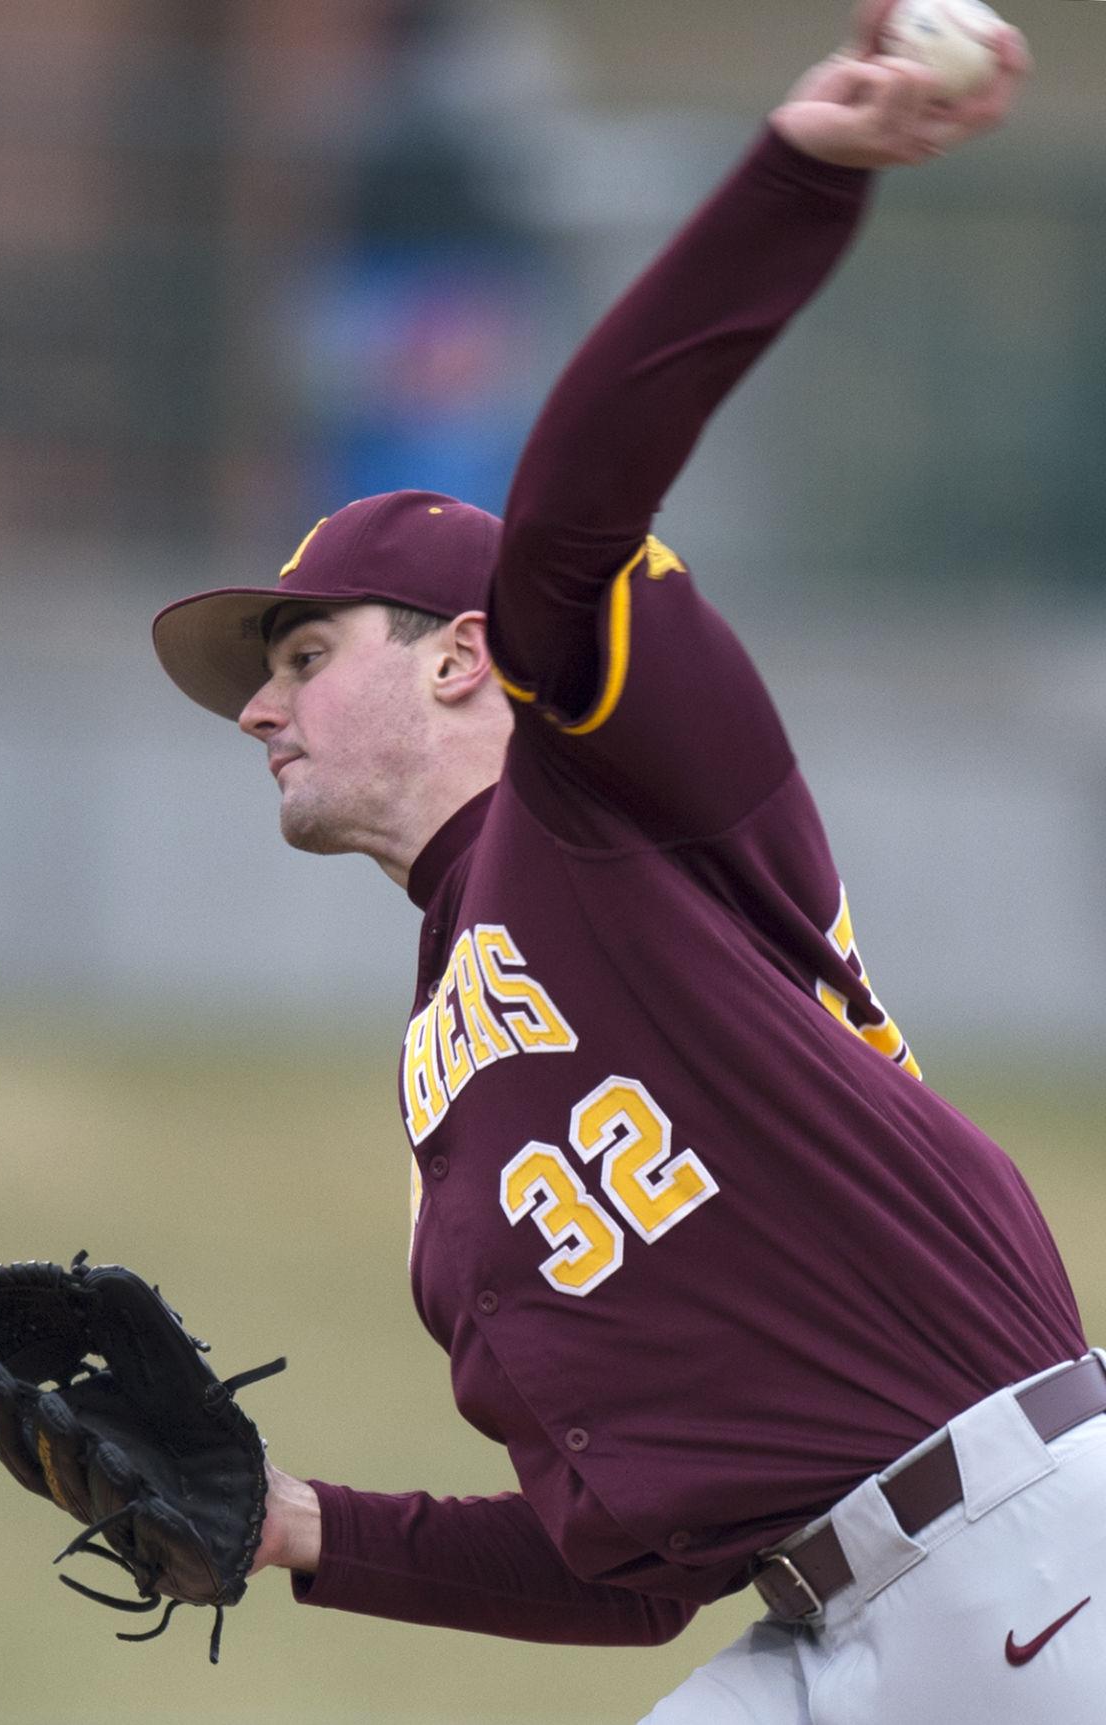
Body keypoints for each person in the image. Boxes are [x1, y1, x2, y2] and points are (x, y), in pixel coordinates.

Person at [152, 5, 1106, 1719]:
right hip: (828, 1629)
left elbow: (576, 501)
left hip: (1036, 1554)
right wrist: (298, 1525)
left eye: (300, 657)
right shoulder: (443, 1072)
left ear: (459, 655)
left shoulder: (621, 794)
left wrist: (800, 178)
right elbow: (628, 1569)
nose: (259, 709)